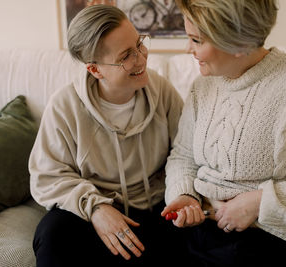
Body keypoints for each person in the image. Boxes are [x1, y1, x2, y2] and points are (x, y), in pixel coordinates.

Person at [161, 0, 286, 266]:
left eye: (197, 40)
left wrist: (260, 203)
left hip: (270, 241)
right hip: (200, 232)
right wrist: (183, 194)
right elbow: (183, 155)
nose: (189, 49)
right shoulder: (203, 86)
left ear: (238, 43)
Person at [29, 5, 186, 267]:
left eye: (139, 44)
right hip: (96, 211)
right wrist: (96, 209)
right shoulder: (64, 106)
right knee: (52, 234)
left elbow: (186, 153)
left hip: (155, 207)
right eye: (126, 55)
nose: (141, 58)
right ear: (95, 70)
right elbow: (47, 176)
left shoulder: (162, 92)